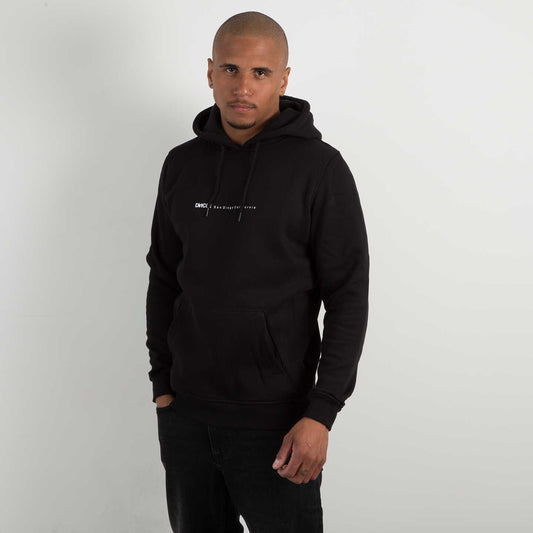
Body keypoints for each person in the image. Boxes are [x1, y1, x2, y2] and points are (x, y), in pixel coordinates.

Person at [145, 10, 369, 533]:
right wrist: (163, 387)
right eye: (230, 69)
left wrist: (321, 412)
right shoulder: (182, 164)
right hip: (188, 417)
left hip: (280, 424)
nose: (242, 87)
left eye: (260, 73)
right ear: (210, 71)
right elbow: (164, 277)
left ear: (283, 79)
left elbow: (348, 296)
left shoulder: (320, 169)